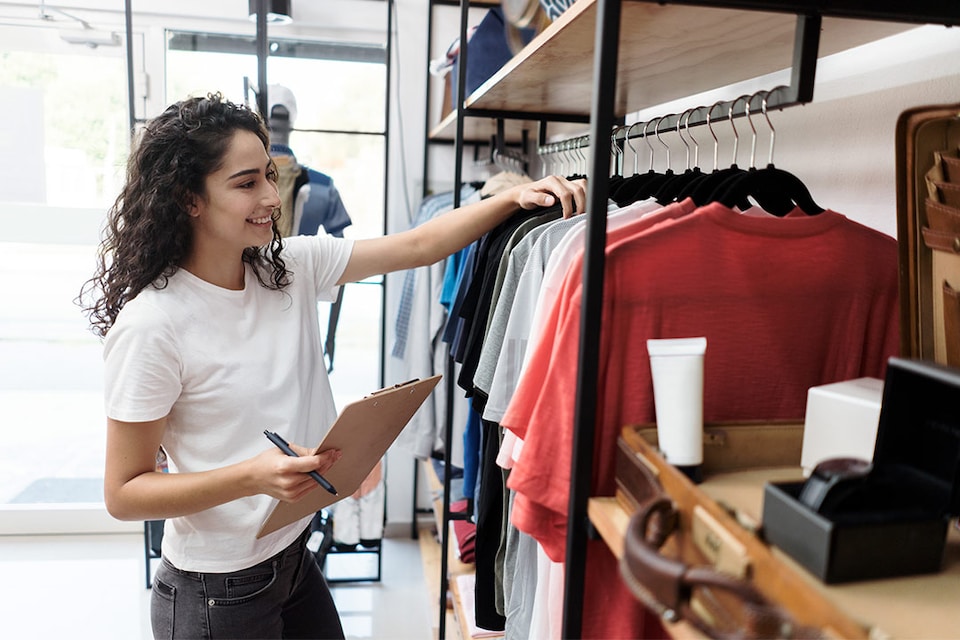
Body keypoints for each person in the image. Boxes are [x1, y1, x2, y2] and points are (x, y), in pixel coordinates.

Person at [78, 92, 585, 640]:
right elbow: (124, 493)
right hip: (214, 591)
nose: (273, 196)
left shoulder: (288, 267)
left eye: (270, 175)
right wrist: (254, 475)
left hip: (292, 557)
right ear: (189, 199)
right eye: (246, 183)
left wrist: (514, 201)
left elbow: (419, 245)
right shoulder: (153, 324)